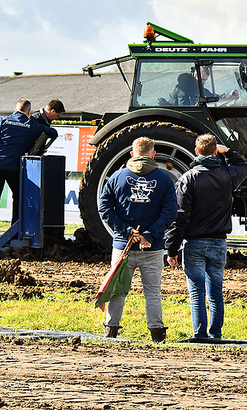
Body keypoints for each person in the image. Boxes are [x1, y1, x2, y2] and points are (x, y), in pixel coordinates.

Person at [165, 134, 247, 339]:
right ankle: (216, 334)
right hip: (219, 242)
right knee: (216, 293)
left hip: (195, 243)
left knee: (197, 293)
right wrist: (228, 152)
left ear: (196, 152)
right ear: (215, 151)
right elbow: (244, 168)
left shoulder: (189, 178)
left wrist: (172, 248)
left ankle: (200, 334)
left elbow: (181, 216)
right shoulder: (227, 175)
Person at [98, 137, 177, 342]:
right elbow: (170, 212)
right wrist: (149, 235)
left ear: (132, 154)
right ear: (153, 154)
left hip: (123, 248)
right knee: (152, 293)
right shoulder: (165, 179)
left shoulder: (116, 177)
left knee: (117, 292)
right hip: (153, 248)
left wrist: (127, 232)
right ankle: (157, 335)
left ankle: (110, 332)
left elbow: (104, 208)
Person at [0, 99, 59, 245]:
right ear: (29, 111)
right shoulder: (31, 125)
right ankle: (13, 235)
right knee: (18, 200)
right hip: (14, 168)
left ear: (16, 108)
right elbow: (52, 132)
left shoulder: (2, 120)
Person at [167, 66, 237, 106]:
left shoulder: (196, 86)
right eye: (202, 79)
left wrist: (230, 96)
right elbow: (184, 107)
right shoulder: (183, 87)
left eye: (205, 80)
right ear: (195, 75)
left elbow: (211, 96)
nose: (203, 83)